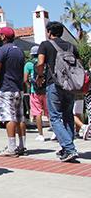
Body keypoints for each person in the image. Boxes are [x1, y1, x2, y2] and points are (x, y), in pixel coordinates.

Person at [37, 21, 80, 162]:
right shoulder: (71, 46)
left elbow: (40, 63)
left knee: (54, 117)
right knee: (68, 116)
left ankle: (69, 148)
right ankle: (67, 148)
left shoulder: (45, 45)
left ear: (49, 32)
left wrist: (40, 76)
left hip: (54, 84)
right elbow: (78, 65)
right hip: (70, 85)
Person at [0, 27, 26, 157]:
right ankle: (22, 146)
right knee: (19, 118)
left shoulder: (1, 50)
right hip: (18, 88)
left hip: (6, 88)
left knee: (8, 118)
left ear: (4, 37)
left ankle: (11, 148)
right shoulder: (19, 51)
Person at [24, 45, 48, 141]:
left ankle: (41, 134)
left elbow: (25, 79)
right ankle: (55, 132)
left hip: (35, 91)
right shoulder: (45, 63)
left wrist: (30, 86)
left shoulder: (28, 64)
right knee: (49, 112)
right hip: (46, 90)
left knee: (37, 113)